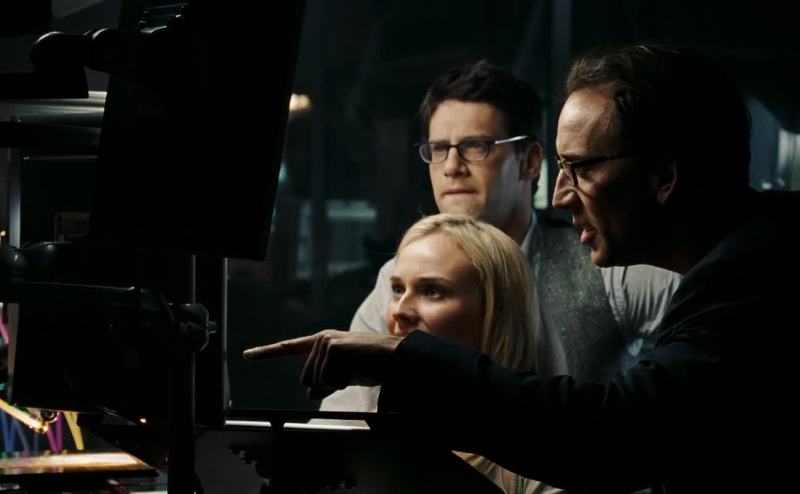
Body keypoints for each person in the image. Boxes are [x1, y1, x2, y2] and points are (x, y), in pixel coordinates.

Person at [245, 44, 800, 491]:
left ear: (663, 178)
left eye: (581, 167)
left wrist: (406, 360)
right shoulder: (742, 261)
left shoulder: (751, 277)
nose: (560, 194)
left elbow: (625, 434)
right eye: (438, 149)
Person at [320, 61, 679, 419]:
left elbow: (703, 368)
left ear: (530, 161)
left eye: (476, 146)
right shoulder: (398, 280)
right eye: (439, 148)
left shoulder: (608, 267)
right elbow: (344, 418)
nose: (451, 166)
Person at [376, 212, 565, 493]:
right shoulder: (373, 436)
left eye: (433, 291)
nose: (400, 311)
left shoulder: (547, 459)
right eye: (397, 289)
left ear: (495, 313)